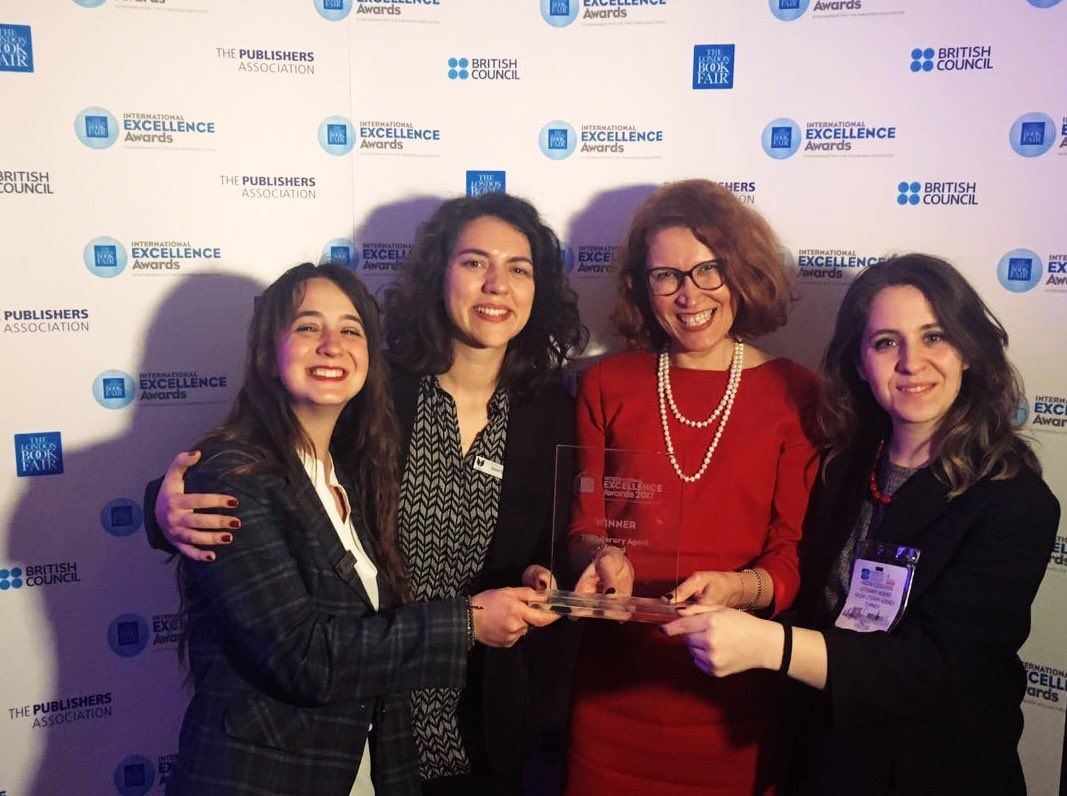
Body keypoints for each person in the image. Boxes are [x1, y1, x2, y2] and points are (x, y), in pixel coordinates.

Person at [145, 193, 587, 794]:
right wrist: (161, 510)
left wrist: (546, 575)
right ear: (439, 274)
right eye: (474, 262)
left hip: (480, 721)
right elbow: (268, 469)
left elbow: (546, 544)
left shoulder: (549, 410)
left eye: (518, 268)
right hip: (360, 716)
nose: (496, 285)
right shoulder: (371, 386)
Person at [663, 254, 1059, 795]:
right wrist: (740, 591)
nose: (912, 363)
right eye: (886, 342)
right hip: (827, 760)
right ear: (859, 361)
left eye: (935, 336)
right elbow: (816, 596)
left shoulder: (1014, 501)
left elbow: (936, 667)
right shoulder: (845, 465)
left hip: (935, 772)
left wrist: (771, 646)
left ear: (968, 350)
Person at [561, 179, 820, 795]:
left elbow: (790, 557)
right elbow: (582, 528)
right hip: (612, 695)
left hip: (733, 699)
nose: (689, 294)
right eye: (666, 276)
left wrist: (737, 588)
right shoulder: (606, 384)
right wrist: (601, 556)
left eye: (709, 269)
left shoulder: (796, 393)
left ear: (741, 274)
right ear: (642, 286)